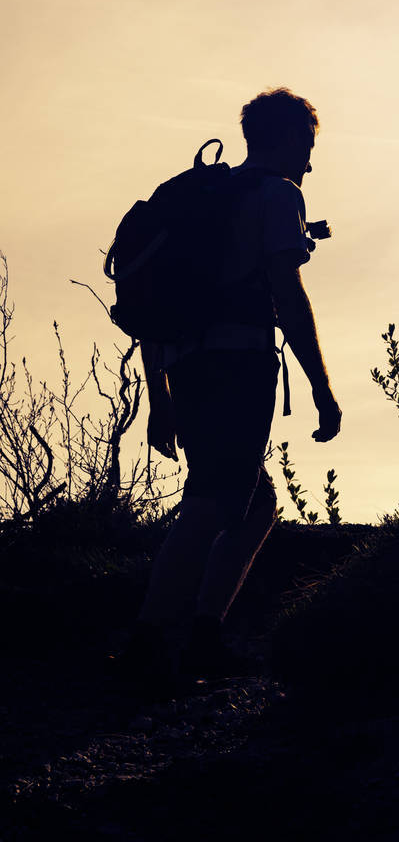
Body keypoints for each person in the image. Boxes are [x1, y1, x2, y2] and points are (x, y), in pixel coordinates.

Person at [116, 87, 342, 694]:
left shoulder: (202, 199)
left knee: (254, 501)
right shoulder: (276, 196)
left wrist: (161, 400)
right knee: (216, 501)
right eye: (309, 146)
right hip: (239, 363)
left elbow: (161, 312)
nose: (311, 163)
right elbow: (288, 297)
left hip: (188, 364)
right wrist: (322, 388)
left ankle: (202, 636)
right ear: (290, 139)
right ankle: (150, 643)